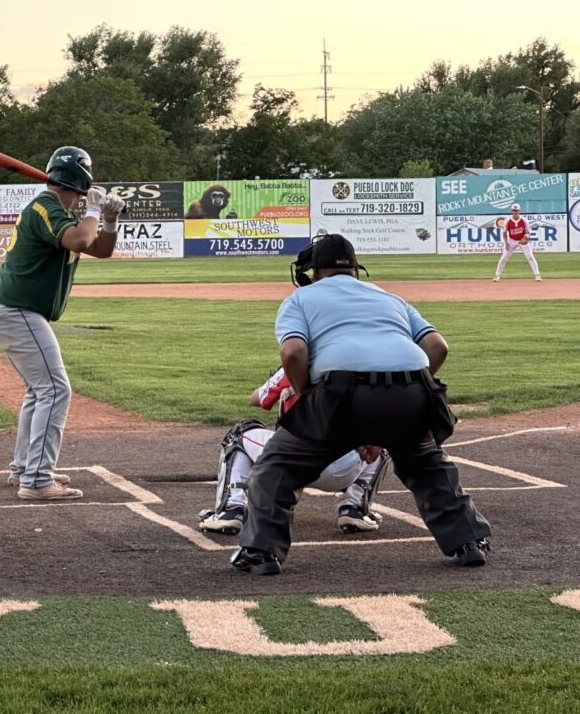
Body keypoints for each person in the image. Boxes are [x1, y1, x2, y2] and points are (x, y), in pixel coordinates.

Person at [232, 234, 491, 575]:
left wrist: (309, 398)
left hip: (341, 391)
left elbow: (293, 353)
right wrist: (400, 396)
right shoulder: (390, 298)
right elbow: (438, 347)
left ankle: (260, 552)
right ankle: (469, 541)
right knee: (427, 464)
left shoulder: (301, 299)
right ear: (356, 270)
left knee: (277, 467)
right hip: (416, 388)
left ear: (311, 270)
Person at [0, 146, 123, 501]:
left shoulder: (57, 213)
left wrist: (108, 220)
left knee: (40, 390)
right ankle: (36, 479)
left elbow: (100, 248)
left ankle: (24, 469)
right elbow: (80, 239)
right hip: (18, 310)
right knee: (55, 390)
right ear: (80, 183)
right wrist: (93, 209)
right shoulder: (44, 208)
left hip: (17, 311)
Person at [198, 368, 388, 535]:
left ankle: (232, 508)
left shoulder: (300, 359)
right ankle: (354, 508)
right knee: (383, 436)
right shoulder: (365, 368)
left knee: (239, 434)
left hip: (292, 460)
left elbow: (257, 399)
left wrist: (278, 382)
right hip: (343, 470)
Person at [493, 203, 541, 281]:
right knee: (504, 258)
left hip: (522, 241)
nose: (515, 212)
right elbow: (504, 233)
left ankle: (537, 275)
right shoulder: (507, 221)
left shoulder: (524, 220)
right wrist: (506, 243)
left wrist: (526, 237)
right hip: (511, 241)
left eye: (517, 211)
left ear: (519, 211)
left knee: (530, 257)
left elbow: (528, 232)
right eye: (514, 210)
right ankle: (497, 276)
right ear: (511, 211)